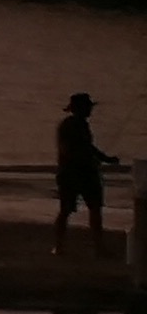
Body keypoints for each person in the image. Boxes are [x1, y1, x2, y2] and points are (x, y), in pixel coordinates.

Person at [60, 92, 123, 251]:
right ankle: (61, 246)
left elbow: (88, 147)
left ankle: (96, 247)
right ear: (80, 108)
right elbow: (75, 149)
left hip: (80, 172)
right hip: (74, 173)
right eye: (88, 107)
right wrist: (100, 159)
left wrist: (105, 158)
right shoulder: (70, 126)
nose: (90, 110)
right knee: (69, 210)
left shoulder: (79, 125)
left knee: (91, 208)